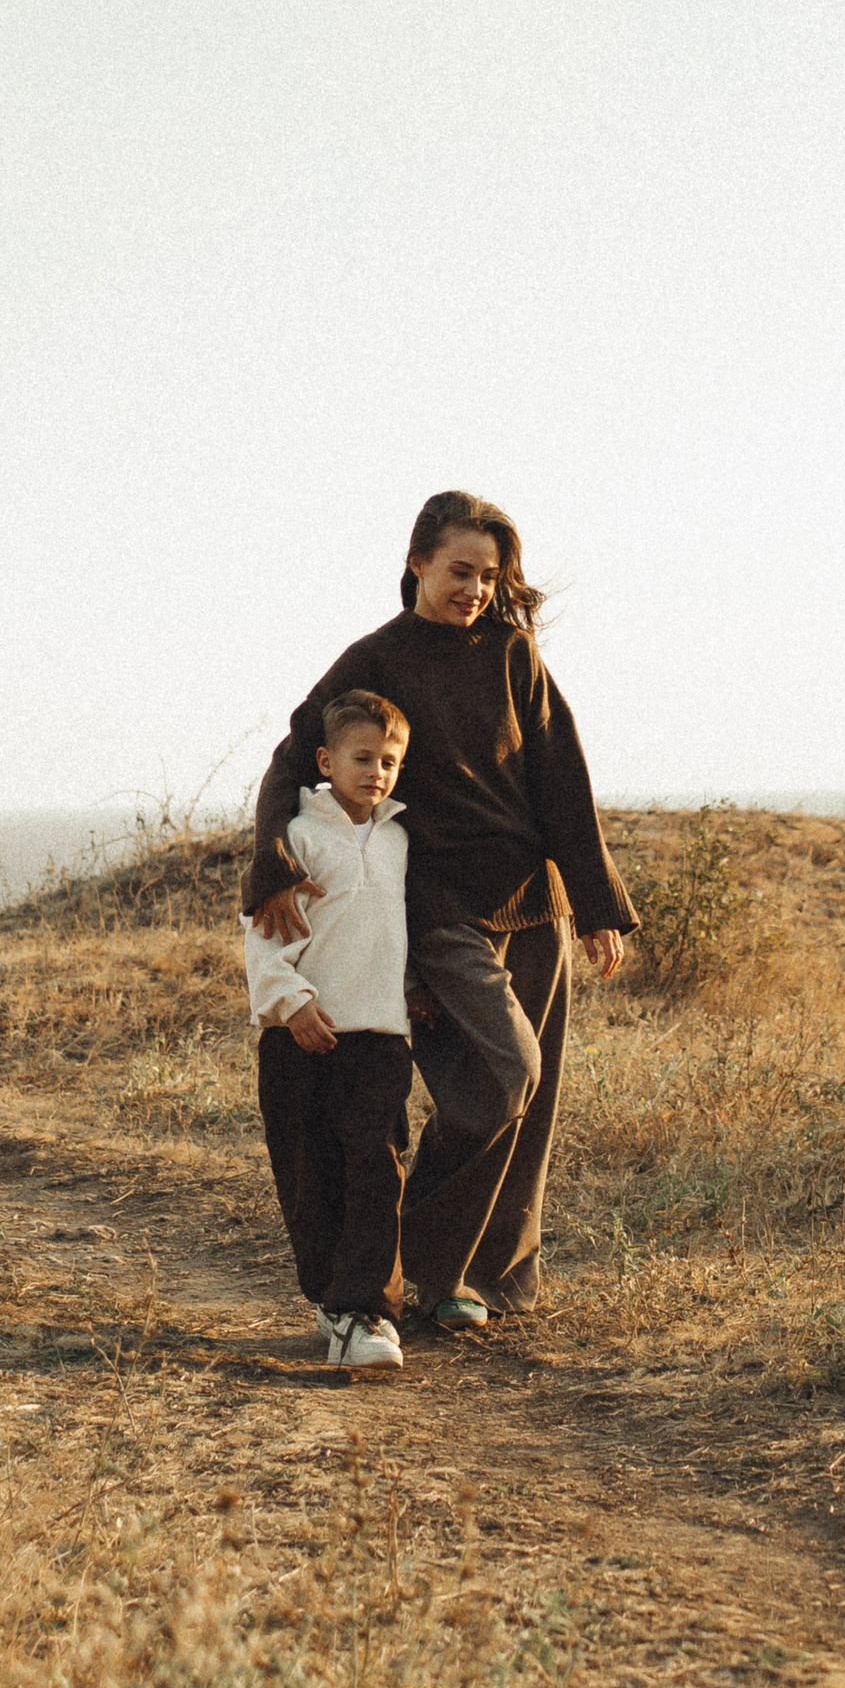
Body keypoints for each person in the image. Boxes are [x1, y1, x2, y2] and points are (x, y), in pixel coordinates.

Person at [245, 489, 637, 1331]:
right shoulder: (374, 658)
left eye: (489, 577)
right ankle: (413, 1242)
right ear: (417, 561)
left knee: (530, 1108)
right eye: (460, 570)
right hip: (442, 902)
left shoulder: (513, 653)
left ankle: (476, 1281)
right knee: (504, 1077)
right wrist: (270, 862)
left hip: (536, 904)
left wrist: (598, 902)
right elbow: (292, 758)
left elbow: (561, 777)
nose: (475, 590)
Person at [243, 688, 416, 1376]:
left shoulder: (401, 840)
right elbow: (264, 932)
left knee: (378, 1168)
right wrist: (289, 1001)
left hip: (378, 1036)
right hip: (301, 1039)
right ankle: (332, 1299)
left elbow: (394, 932)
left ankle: (365, 1310)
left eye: (391, 761)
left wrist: (413, 993)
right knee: (312, 1174)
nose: (376, 772)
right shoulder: (298, 836)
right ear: (325, 760)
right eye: (363, 757)